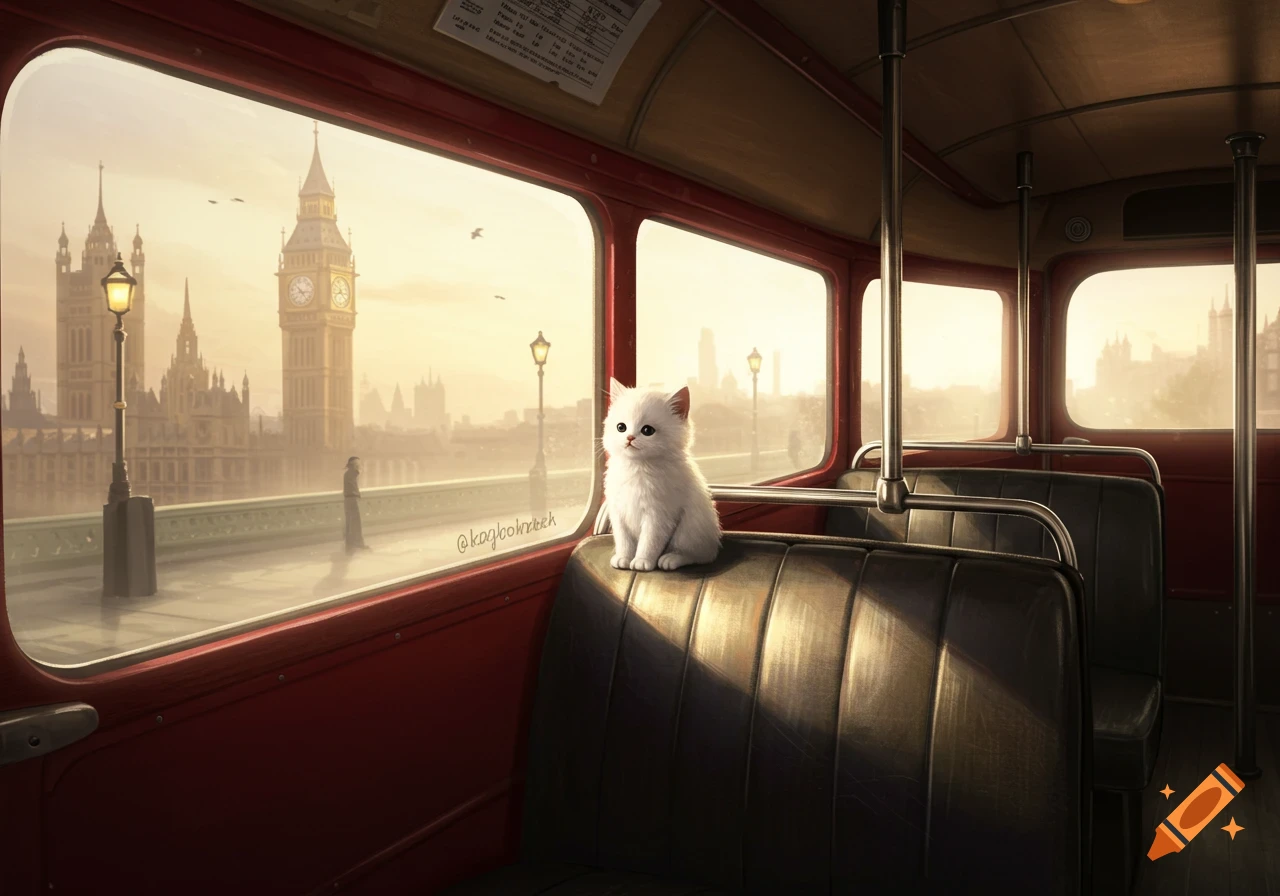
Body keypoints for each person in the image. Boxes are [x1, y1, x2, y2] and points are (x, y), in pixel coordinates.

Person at [343, 456, 369, 551]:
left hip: (348, 500)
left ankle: (349, 544)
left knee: (350, 523)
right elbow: (359, 472)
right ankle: (358, 543)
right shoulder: (352, 473)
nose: (359, 465)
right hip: (352, 499)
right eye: (357, 464)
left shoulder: (347, 474)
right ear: (353, 464)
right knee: (356, 523)